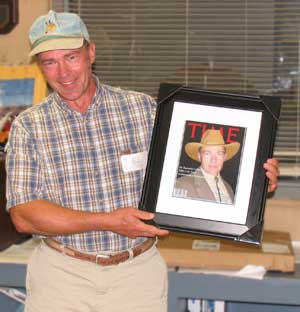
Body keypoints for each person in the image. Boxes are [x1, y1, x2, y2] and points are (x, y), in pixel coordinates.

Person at [5, 10, 279, 312]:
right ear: (40, 66)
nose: (63, 73)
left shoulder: (142, 110)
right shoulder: (29, 126)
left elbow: (187, 181)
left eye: (71, 57)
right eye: (50, 62)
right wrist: (107, 221)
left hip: (137, 277)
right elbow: (24, 214)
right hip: (60, 278)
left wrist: (252, 182)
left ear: (91, 53)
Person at [174, 129, 240, 203]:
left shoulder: (229, 189)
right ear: (199, 156)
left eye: (219, 153)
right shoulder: (181, 185)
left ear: (224, 157)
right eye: (207, 153)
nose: (213, 160)